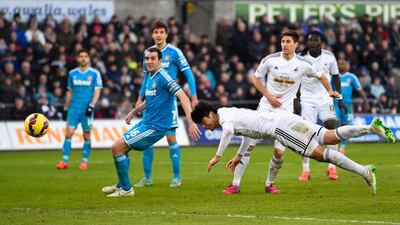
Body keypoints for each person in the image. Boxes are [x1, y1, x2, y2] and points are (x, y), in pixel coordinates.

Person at [191, 101, 396, 195]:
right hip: (285, 118)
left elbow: (227, 132)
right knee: (328, 136)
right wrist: (238, 156)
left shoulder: (225, 116)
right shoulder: (231, 113)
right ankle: (371, 127)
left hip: (281, 128)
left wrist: (217, 156)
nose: (204, 126)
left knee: (320, 155)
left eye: (203, 122)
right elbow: (247, 135)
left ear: (210, 114)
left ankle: (365, 171)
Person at [222, 30, 336, 195]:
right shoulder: (270, 60)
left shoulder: (303, 64)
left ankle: (269, 184)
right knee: (248, 146)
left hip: (284, 116)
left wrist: (330, 91)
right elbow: (255, 78)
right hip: (265, 110)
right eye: (283, 41)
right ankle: (235, 184)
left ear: (296, 44)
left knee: (279, 153)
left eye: (288, 41)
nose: (284, 44)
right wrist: (268, 96)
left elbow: (323, 76)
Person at [101, 47, 200, 197]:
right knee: (123, 150)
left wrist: (191, 121)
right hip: (146, 123)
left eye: (153, 58)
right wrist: (134, 111)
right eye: (147, 58)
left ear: (160, 61)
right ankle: (121, 185)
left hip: (155, 127)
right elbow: (150, 100)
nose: (149, 61)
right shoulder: (151, 77)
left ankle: (127, 189)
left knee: (116, 147)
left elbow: (183, 97)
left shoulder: (164, 77)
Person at [134, 21, 198, 188]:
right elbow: (146, 78)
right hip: (151, 100)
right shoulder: (148, 53)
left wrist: (194, 96)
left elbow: (189, 74)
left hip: (168, 101)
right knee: (146, 140)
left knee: (171, 138)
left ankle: (176, 177)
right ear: (152, 34)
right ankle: (147, 178)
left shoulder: (175, 52)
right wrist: (140, 98)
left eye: (161, 31)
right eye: (155, 32)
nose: (158, 35)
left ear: (166, 34)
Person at [295, 31, 347, 181]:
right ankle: (306, 170)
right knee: (305, 133)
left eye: (315, 41)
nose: (312, 43)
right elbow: (295, 78)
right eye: (310, 41)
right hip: (307, 100)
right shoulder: (300, 57)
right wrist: (295, 99)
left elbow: (336, 77)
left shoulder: (329, 56)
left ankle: (332, 168)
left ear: (321, 43)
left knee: (333, 128)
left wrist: (339, 98)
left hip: (325, 98)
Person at [56, 49, 102, 170]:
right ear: (77, 58)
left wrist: (92, 105)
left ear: (89, 59)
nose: (83, 58)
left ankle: (84, 161)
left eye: (85, 56)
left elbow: (97, 92)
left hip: (87, 109)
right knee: (68, 134)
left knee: (86, 135)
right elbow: (70, 92)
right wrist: (65, 108)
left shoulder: (94, 73)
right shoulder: (72, 73)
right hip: (73, 109)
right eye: (81, 56)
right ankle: (64, 161)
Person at [334, 59, 370, 153]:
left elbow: (360, 90)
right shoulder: (333, 77)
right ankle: (334, 146)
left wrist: (366, 101)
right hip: (335, 104)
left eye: (343, 63)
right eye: (339, 63)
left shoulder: (351, 77)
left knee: (346, 125)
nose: (341, 65)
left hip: (347, 105)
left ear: (347, 66)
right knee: (336, 125)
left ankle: (342, 147)